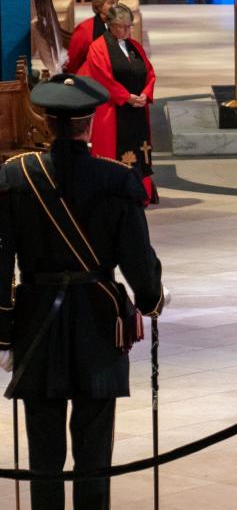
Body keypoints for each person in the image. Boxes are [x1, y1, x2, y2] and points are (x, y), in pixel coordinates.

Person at [0, 73, 164, 510]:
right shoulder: (116, 178)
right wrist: (151, 299)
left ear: (46, 122)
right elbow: (137, 259)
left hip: (35, 321)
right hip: (97, 318)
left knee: (43, 453)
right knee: (95, 452)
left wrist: (2, 330)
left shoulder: (16, 176)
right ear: (89, 124)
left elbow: (0, 263)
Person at [81, 3, 158, 203]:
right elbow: (103, 79)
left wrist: (145, 94)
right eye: (122, 26)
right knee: (114, 154)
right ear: (110, 24)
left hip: (137, 111)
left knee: (141, 152)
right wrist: (127, 97)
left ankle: (142, 193)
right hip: (113, 113)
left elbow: (149, 73)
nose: (127, 30)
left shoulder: (135, 47)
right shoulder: (98, 48)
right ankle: (116, 195)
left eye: (129, 26)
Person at [65, 0, 121, 74]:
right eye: (111, 3)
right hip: (90, 79)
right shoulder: (84, 29)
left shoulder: (120, 26)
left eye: (117, 2)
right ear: (98, 6)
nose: (115, 6)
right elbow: (73, 62)